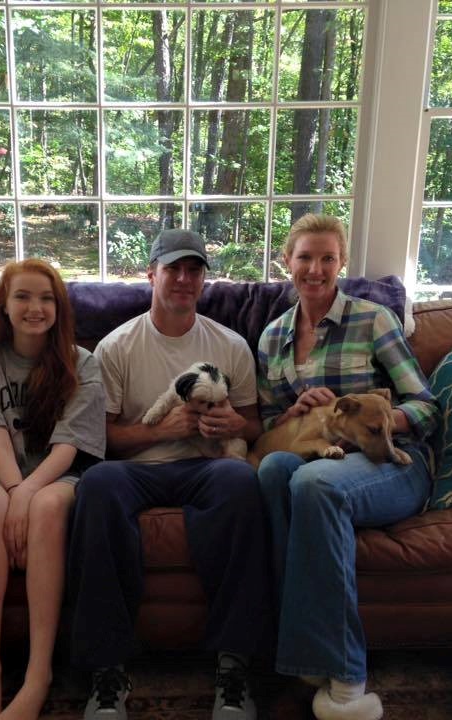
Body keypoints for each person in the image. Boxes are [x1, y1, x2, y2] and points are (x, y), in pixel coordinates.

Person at [67, 229, 271, 720]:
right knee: (95, 485)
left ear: (203, 280)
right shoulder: (117, 347)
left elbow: (255, 426)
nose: (183, 279)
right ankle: (107, 668)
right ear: (151, 275)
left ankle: (234, 663)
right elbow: (103, 439)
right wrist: (159, 431)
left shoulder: (231, 345)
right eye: (173, 269)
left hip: (208, 465)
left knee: (243, 482)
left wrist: (233, 424)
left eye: (193, 270)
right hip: (135, 469)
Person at [255, 214, 438, 720]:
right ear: (287, 262)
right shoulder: (272, 337)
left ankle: (346, 680)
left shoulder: (373, 320)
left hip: (393, 461)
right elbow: (268, 423)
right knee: (272, 470)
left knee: (315, 482)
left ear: (342, 263)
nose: (315, 269)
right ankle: (301, 661)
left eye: (327, 258)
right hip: (319, 453)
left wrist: (371, 420)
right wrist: (296, 411)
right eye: (305, 257)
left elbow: (426, 406)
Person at [0, 259, 105, 720]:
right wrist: (13, 491)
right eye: (22, 296)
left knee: (45, 507)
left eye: (46, 298)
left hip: (58, 474)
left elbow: (67, 447)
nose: (34, 308)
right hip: (1, 471)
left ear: (59, 309)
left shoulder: (83, 363)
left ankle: (38, 675)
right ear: (3, 306)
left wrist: (24, 495)